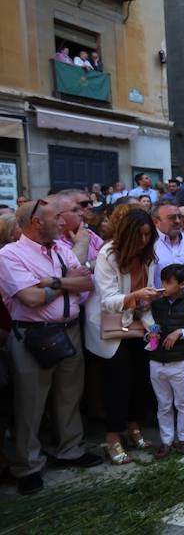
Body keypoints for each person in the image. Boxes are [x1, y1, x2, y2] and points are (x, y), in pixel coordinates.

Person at [0, 200, 100, 495]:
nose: (62, 222)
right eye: (55, 218)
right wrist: (63, 284)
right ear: (35, 222)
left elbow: (87, 283)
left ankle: (71, 449)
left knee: (69, 395)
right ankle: (27, 466)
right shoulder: (10, 254)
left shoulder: (60, 249)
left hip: (70, 331)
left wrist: (51, 282)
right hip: (33, 337)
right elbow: (29, 298)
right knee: (31, 403)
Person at [92, 208, 165, 465]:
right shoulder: (108, 254)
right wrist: (138, 296)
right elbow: (108, 300)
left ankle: (135, 428)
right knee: (117, 382)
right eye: (141, 235)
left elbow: (145, 298)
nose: (145, 240)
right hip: (112, 328)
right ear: (128, 234)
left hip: (138, 323)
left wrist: (152, 324)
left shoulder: (148, 257)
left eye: (149, 235)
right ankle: (113, 436)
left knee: (141, 379)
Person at [147, 264, 184, 458]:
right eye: (162, 281)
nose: (163, 285)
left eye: (168, 282)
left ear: (182, 284)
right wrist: (151, 336)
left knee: (183, 401)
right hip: (156, 360)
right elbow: (151, 326)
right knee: (163, 403)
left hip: (180, 361)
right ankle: (166, 440)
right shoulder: (157, 303)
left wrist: (180, 332)